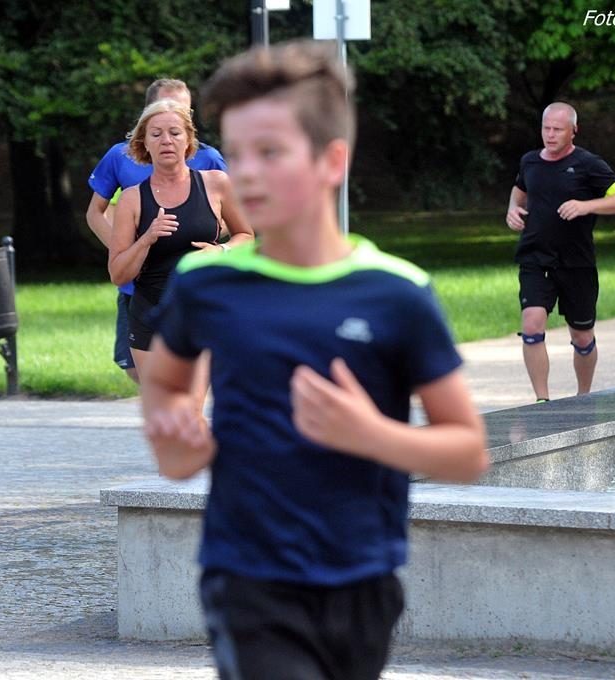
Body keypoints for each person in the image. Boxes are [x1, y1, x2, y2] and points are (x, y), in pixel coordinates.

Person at [141, 41, 490, 680]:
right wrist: (175, 438)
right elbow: (164, 384)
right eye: (238, 153)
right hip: (246, 574)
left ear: (332, 161)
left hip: (363, 577)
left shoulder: (396, 293)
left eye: (270, 152)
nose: (247, 173)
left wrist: (372, 435)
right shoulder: (206, 284)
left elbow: (468, 452)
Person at [87, 79, 228, 384]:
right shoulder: (120, 158)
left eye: (182, 112)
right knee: (138, 372)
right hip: (141, 287)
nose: (168, 134)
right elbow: (95, 213)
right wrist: (127, 250)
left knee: (189, 390)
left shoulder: (210, 161)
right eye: (158, 127)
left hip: (195, 293)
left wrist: (216, 244)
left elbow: (227, 216)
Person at [107, 98, 251, 391]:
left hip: (201, 310)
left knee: (191, 408)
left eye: (174, 132)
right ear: (144, 143)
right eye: (156, 134)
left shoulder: (217, 183)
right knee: (163, 409)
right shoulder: (132, 199)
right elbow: (118, 274)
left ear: (188, 140)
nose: (166, 141)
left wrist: (221, 250)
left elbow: (246, 237)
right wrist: (147, 238)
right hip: (150, 314)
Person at [505, 102, 615, 402]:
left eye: (557, 129)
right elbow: (519, 189)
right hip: (535, 258)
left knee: (582, 335)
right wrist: (512, 209)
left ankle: (583, 397)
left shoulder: (589, 164)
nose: (550, 135)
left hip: (577, 263)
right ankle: (542, 401)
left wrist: (586, 205)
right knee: (532, 323)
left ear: (573, 131)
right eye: (546, 128)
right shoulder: (530, 161)